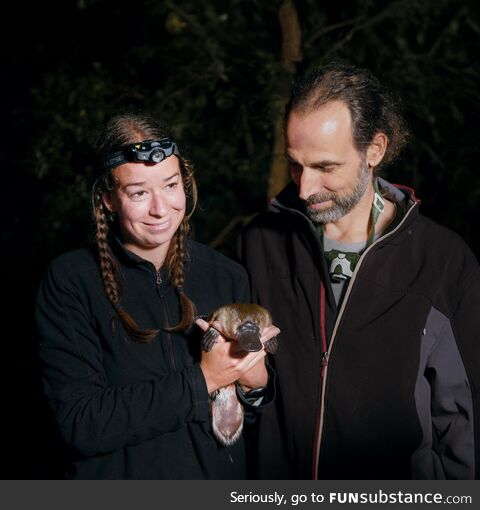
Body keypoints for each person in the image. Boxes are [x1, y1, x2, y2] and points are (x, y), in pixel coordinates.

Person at [238, 62, 480, 479]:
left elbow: (464, 425)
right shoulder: (259, 243)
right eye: (295, 164)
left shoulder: (444, 261)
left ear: (375, 149)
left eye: (325, 167)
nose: (304, 188)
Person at [35, 112, 278, 479]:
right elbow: (80, 425)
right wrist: (203, 380)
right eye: (138, 193)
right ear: (107, 200)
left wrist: (255, 383)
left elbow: (251, 419)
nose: (160, 208)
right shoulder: (71, 281)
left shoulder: (226, 274)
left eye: (170, 185)